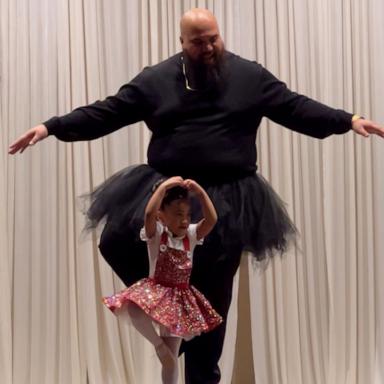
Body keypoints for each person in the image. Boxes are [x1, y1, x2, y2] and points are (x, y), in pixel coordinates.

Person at [8, 7, 384, 384]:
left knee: (214, 299)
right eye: (198, 41)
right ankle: (173, 314)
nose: (208, 47)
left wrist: (347, 120)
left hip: (229, 199)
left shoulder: (249, 75)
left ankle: (201, 370)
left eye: (213, 39)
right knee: (115, 241)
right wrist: (51, 127)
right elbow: (107, 112)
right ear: (182, 43)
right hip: (170, 194)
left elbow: (294, 106)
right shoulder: (156, 80)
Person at [102, 176, 222, 384]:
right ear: (162, 217)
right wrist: (165, 186)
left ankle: (166, 360)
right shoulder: (157, 233)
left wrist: (200, 193)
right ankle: (158, 346)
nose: (184, 220)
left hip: (178, 298)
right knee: (134, 309)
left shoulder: (191, 235)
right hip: (155, 290)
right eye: (177, 215)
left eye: (187, 215)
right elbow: (149, 213)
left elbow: (211, 220)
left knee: (171, 359)